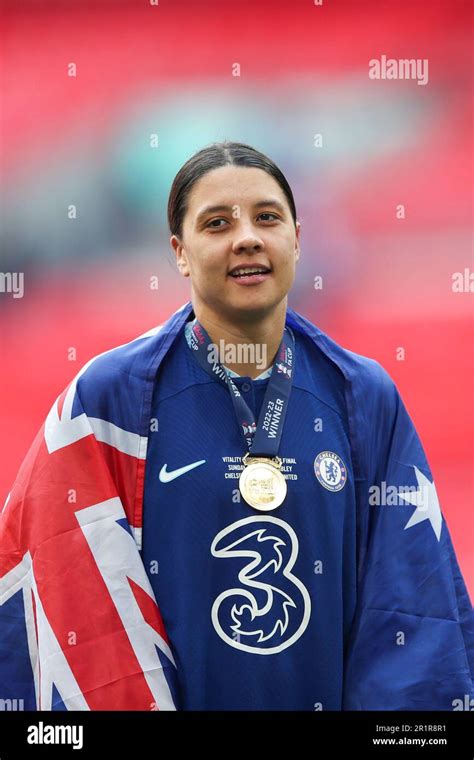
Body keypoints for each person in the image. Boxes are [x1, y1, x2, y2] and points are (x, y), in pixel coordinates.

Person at [0, 141, 472, 711]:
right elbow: (62, 593)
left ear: (297, 237)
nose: (247, 237)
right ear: (179, 251)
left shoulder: (362, 397)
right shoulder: (108, 401)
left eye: (267, 217)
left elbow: (408, 617)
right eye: (217, 223)